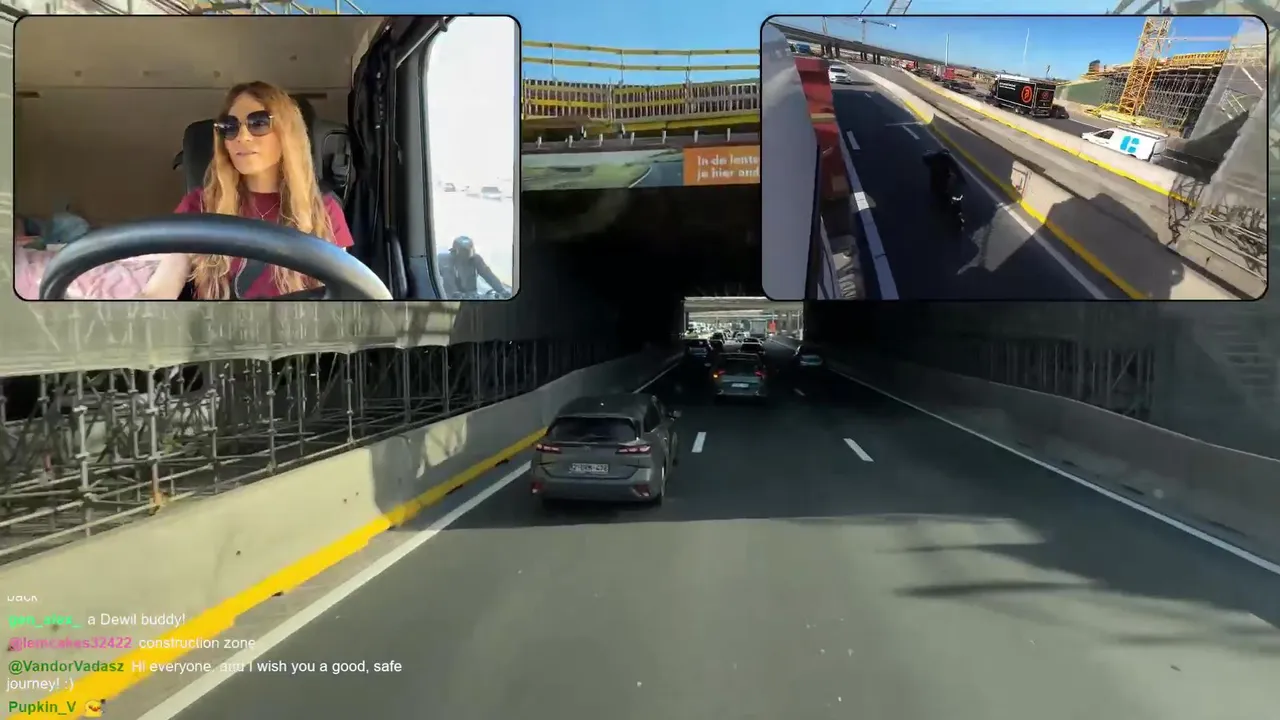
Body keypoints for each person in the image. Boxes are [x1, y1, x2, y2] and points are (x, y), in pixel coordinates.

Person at [140, 81, 354, 299]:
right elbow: (160, 292)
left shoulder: (323, 211)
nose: (242, 137)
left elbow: (342, 299)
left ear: (286, 132)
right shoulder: (199, 206)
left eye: (259, 123)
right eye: (230, 127)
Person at [437, 235, 509, 298]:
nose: (467, 255)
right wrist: (455, 293)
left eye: (469, 251)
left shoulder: (475, 258)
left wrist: (501, 290)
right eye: (465, 252)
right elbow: (448, 279)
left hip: (471, 295)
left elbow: (488, 274)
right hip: (450, 296)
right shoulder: (444, 260)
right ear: (455, 251)